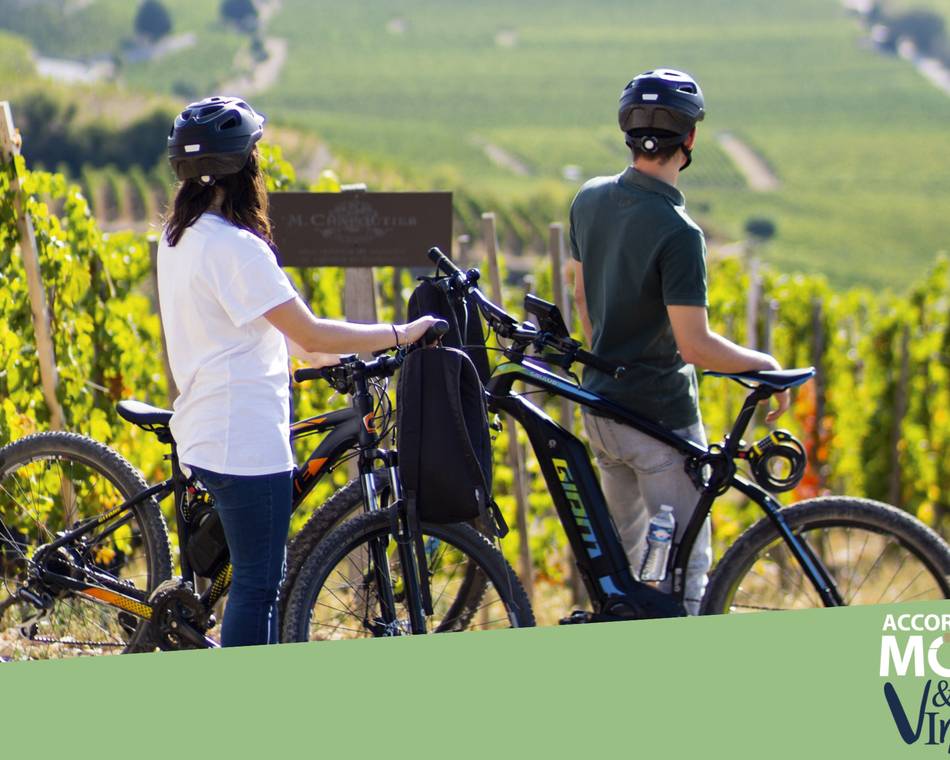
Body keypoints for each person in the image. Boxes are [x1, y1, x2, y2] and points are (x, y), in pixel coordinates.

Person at [158, 96, 440, 647]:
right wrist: (401, 335)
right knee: (259, 586)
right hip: (245, 442)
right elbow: (311, 339)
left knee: (245, 578)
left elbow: (234, 327)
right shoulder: (239, 248)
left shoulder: (180, 237)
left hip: (203, 428)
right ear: (244, 167)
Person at [568, 69, 790, 615]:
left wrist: (612, 359)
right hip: (660, 421)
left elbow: (581, 300)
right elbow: (695, 347)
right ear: (689, 139)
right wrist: (763, 363)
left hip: (602, 413)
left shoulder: (589, 199)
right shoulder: (678, 231)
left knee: (625, 570)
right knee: (688, 580)